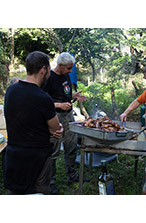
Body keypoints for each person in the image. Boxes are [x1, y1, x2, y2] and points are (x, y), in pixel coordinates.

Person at [3, 51, 63, 195]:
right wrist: (54, 129)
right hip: (37, 159)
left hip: (13, 156)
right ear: (43, 69)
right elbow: (56, 129)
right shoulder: (43, 98)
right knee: (39, 195)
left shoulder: (10, 91)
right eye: (48, 69)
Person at [42, 52, 87, 194]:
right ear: (60, 65)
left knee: (71, 145)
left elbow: (63, 94)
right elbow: (42, 101)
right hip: (54, 117)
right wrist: (59, 105)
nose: (71, 71)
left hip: (68, 117)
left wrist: (73, 96)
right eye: (68, 68)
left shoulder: (65, 75)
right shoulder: (48, 78)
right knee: (53, 150)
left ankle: (72, 175)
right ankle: (51, 181)